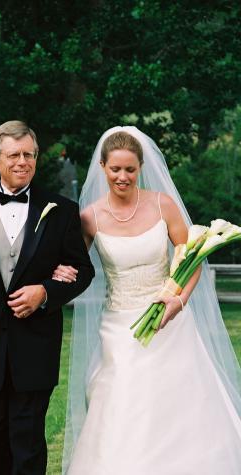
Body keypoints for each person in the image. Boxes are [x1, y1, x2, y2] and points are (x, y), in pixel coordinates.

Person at [53, 127, 241, 474]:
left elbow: (192, 259)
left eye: (129, 169)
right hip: (118, 326)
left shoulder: (162, 204)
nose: (122, 177)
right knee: (123, 401)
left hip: (170, 321)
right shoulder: (89, 217)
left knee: (178, 403)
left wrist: (178, 300)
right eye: (115, 169)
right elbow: (77, 263)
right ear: (102, 166)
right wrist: (60, 273)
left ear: (140, 168)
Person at [0, 120, 94, 475]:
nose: (23, 161)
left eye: (30, 154)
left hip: (35, 348)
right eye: (14, 155)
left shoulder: (61, 210)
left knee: (27, 443)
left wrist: (46, 292)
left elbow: (82, 271)